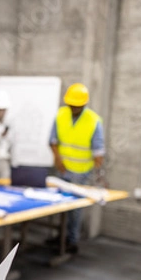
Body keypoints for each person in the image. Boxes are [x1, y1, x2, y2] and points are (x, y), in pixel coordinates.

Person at [49, 83, 105, 253]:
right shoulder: (61, 114)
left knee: (75, 209)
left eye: (76, 105)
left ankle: (71, 240)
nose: (72, 108)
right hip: (63, 169)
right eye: (70, 105)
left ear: (83, 104)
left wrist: (98, 174)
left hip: (82, 173)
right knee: (59, 205)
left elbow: (98, 153)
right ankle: (59, 236)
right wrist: (58, 159)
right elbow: (53, 141)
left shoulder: (93, 121)